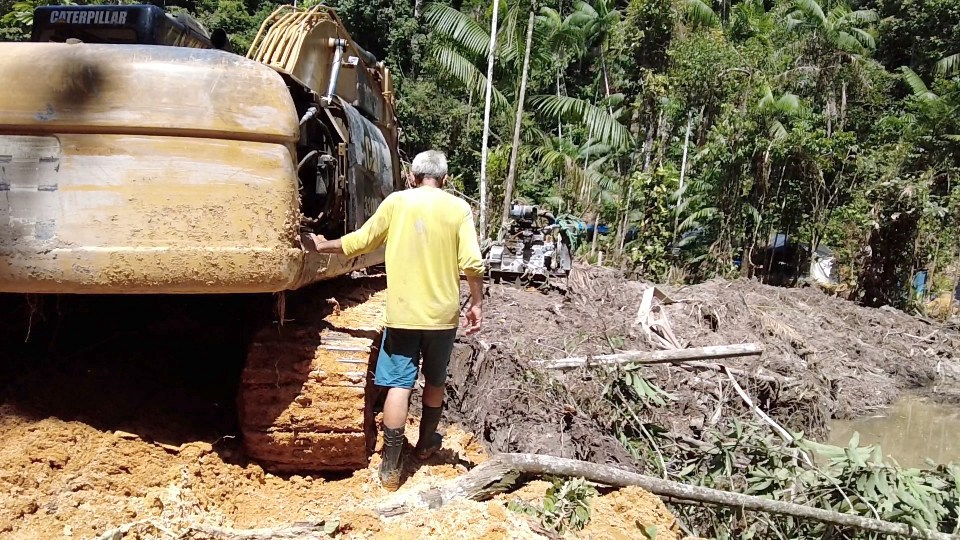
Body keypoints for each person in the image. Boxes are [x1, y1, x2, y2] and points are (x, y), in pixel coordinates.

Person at [306, 150, 485, 491]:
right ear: (444, 180)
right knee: (434, 381)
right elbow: (472, 263)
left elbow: (361, 241)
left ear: (413, 177)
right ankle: (424, 445)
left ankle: (390, 468)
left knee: (399, 385)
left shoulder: (396, 203)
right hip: (442, 317)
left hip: (403, 313)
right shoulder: (458, 209)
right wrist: (476, 303)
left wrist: (321, 245)